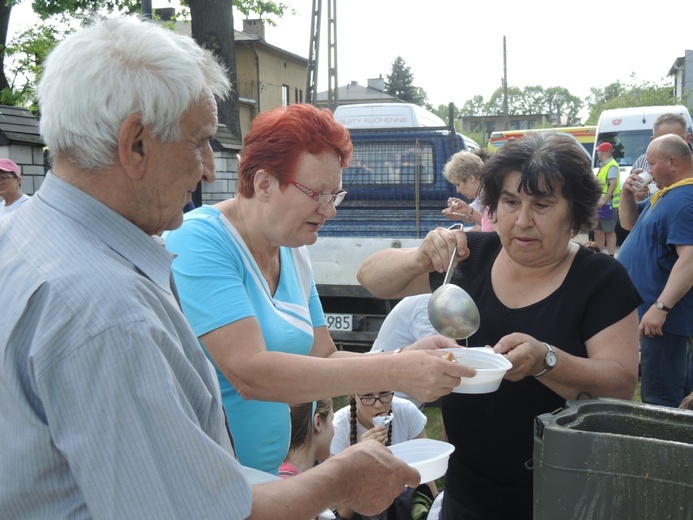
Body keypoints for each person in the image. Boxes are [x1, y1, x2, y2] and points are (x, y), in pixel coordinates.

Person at [0, 16, 430, 519]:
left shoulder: (27, 235)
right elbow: (187, 508)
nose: (209, 167)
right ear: (136, 143)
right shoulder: (109, 309)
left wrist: (405, 362)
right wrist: (339, 477)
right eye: (199, 140)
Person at [164, 103, 473, 474]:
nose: (330, 211)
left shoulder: (292, 250)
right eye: (318, 193)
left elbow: (323, 357)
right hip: (208, 480)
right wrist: (394, 371)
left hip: (268, 480)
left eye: (335, 195)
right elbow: (249, 374)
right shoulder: (200, 239)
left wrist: (407, 355)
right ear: (263, 184)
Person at [356, 132, 641, 520]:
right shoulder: (470, 257)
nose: (523, 220)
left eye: (542, 204)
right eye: (510, 202)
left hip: (564, 492)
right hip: (467, 488)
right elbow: (370, 277)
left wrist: (546, 360)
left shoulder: (600, 280)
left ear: (574, 212)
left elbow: (621, 384)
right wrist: (419, 258)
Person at [618, 134, 693, 408]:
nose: (648, 171)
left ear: (672, 162)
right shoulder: (668, 194)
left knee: (662, 403)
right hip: (659, 320)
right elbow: (628, 223)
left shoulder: (685, 199)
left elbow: (691, 259)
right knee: (676, 398)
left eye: (651, 164)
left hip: (666, 323)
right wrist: (626, 194)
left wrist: (661, 307)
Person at [331, 391, 436, 519]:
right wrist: (361, 459)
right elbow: (343, 511)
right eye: (368, 396)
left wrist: (436, 507)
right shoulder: (338, 428)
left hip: (403, 507)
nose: (378, 405)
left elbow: (425, 474)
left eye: (384, 394)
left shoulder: (407, 411)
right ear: (354, 394)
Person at [370, 294, 438, 408]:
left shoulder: (423, 300)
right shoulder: (429, 306)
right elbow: (441, 361)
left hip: (389, 396)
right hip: (387, 401)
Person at [631, 112, 693, 201]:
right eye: (664, 141)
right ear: (653, 140)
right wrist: (633, 198)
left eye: (677, 139)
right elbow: (632, 206)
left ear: (688, 138)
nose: (671, 146)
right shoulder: (641, 164)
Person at [279, 399, 334, 479]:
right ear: (318, 422)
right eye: (331, 420)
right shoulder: (288, 481)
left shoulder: (286, 474)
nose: (334, 430)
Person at [441, 150, 494, 232]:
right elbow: (475, 214)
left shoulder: (494, 193)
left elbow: (492, 226)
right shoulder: (482, 195)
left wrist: (468, 211)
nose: (458, 190)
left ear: (471, 178)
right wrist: (459, 213)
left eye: (458, 185)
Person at [593, 141, 621, 255]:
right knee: (597, 230)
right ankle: (599, 254)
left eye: (599, 151)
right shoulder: (604, 165)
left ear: (604, 152)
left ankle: (610, 256)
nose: (598, 153)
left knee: (609, 231)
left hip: (608, 205)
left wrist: (604, 200)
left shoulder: (612, 165)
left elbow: (613, 184)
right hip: (601, 204)